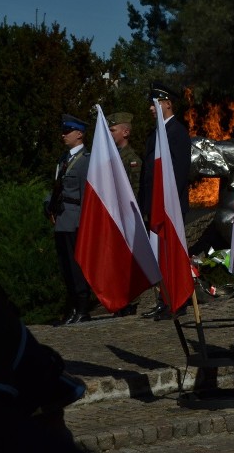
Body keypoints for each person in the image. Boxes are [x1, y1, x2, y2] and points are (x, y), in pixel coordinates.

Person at [138, 81, 192, 320]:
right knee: (160, 255)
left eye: (155, 103)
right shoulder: (155, 135)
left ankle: (178, 302)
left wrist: (166, 204)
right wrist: (145, 204)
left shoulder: (177, 132)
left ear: (168, 104)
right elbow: (147, 174)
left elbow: (179, 173)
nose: (151, 108)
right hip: (155, 205)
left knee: (172, 255)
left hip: (170, 207)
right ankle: (164, 300)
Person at [44, 114, 93, 325]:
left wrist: (84, 223)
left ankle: (82, 308)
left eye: (68, 131)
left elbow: (88, 196)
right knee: (66, 267)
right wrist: (48, 207)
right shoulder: (63, 160)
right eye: (63, 131)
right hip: (61, 219)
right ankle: (73, 307)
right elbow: (56, 188)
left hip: (76, 220)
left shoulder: (85, 161)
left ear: (79, 134)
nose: (63, 135)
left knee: (76, 266)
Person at [107, 111, 144, 317]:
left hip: (127, 216)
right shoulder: (113, 158)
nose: (110, 134)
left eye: (113, 130)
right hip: (115, 216)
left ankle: (131, 300)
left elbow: (135, 192)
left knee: (129, 259)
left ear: (126, 132)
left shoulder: (132, 160)